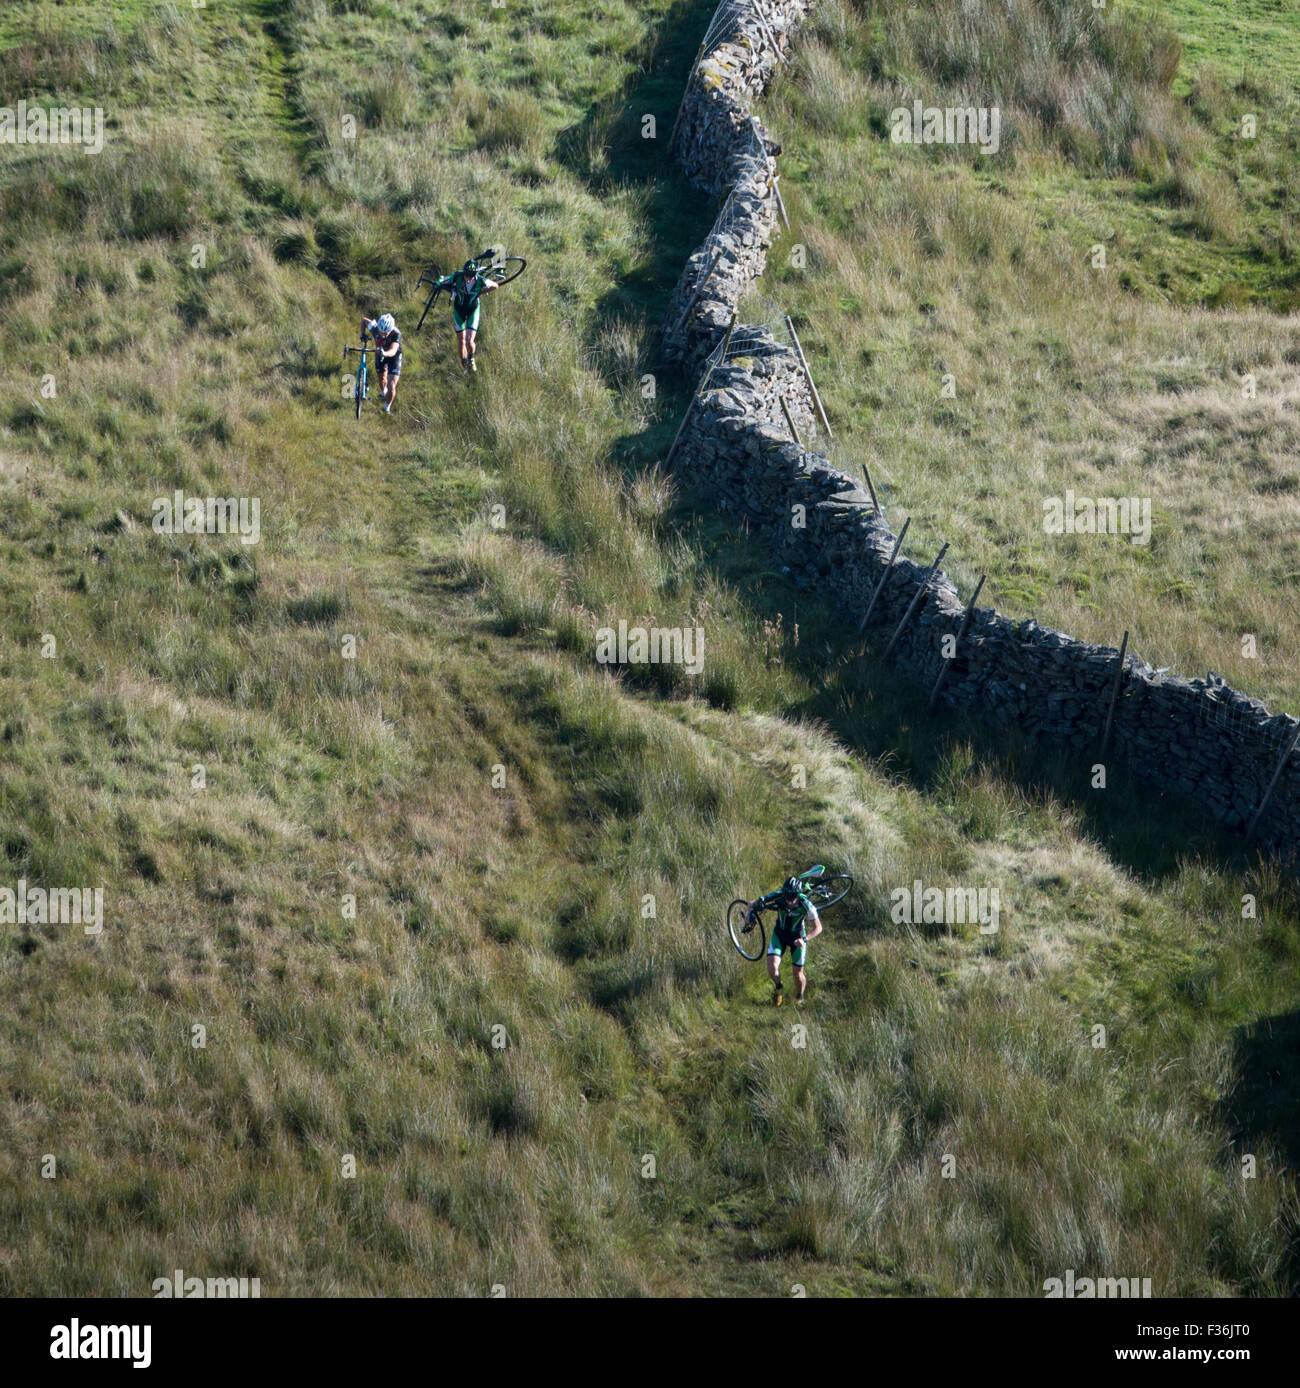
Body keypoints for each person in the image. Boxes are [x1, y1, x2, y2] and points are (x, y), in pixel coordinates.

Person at [749, 875, 822, 1006]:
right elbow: (752, 904)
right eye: (787, 898)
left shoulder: (806, 904)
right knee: (772, 968)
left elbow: (818, 928)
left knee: (798, 974)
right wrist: (749, 915)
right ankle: (779, 987)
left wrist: (804, 939)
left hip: (797, 938)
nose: (789, 901)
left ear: (798, 895)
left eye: (793, 898)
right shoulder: (778, 896)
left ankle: (799, 997)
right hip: (780, 935)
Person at [432, 260, 499, 373]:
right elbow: (443, 279)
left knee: (469, 341)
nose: (467, 278)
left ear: (475, 275)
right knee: (461, 341)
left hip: (473, 309)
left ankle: (471, 358)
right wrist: (439, 282)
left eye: (470, 276)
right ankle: (465, 365)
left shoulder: (480, 280)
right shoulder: (458, 275)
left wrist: (481, 292)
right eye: (466, 275)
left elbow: (495, 286)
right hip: (459, 310)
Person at [360, 312, 402, 413]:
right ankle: (383, 393)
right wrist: (363, 334)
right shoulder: (375, 328)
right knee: (382, 379)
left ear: (391, 330)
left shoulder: (396, 333)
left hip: (393, 356)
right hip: (380, 353)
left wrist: (385, 353)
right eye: (380, 332)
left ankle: (386, 407)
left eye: (385, 333)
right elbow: (364, 320)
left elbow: (393, 350)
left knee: (391, 386)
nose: (382, 335)